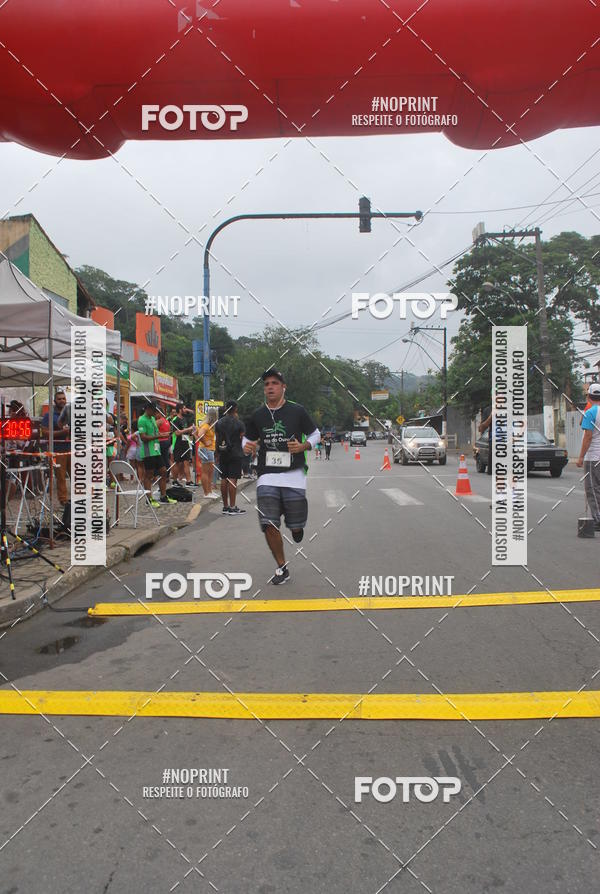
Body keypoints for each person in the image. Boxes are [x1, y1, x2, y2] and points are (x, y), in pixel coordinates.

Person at [243, 369, 320, 584]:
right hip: (267, 475)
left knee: (295, 525)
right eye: (266, 384)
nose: (270, 387)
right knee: (268, 523)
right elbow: (247, 440)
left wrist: (303, 445)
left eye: (274, 383)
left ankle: (296, 527)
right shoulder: (257, 415)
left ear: (283, 387)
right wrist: (247, 447)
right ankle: (282, 567)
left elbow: (316, 434)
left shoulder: (297, 411)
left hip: (294, 474)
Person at [136, 404, 176, 506]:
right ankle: (149, 500)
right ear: (148, 409)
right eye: (154, 411)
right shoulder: (141, 420)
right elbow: (143, 437)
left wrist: (164, 435)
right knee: (149, 475)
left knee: (163, 471)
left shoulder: (153, 418)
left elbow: (156, 433)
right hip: (148, 452)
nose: (155, 413)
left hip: (156, 451)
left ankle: (163, 496)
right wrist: (158, 436)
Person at [576, 382, 600, 530]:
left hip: (593, 457)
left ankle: (597, 519)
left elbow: (588, 438)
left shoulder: (590, 413)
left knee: (592, 489)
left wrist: (580, 457)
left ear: (589, 396)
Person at [215, 400, 246, 515]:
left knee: (224, 479)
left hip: (223, 453)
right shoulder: (239, 423)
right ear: (235, 409)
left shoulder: (219, 423)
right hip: (235, 453)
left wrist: (217, 453)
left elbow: (217, 439)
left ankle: (225, 506)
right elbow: (242, 439)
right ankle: (233, 507)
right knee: (233, 480)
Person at [41, 390, 70, 504]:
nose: (62, 400)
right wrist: (61, 432)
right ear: (54, 401)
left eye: (63, 398)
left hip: (72, 449)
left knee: (77, 475)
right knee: (61, 477)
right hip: (58, 450)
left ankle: (80, 498)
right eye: (59, 399)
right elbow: (45, 432)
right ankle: (63, 500)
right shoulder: (49, 415)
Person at [197, 408, 220, 499]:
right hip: (206, 450)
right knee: (206, 472)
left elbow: (196, 433)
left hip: (208, 450)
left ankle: (209, 491)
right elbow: (199, 434)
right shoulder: (206, 426)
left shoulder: (208, 425)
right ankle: (206, 493)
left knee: (210, 472)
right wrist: (206, 442)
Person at [171, 402, 196, 486]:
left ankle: (189, 481)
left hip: (185, 442)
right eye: (184, 408)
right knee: (177, 462)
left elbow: (193, 413)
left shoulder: (184, 419)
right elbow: (177, 433)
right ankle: (175, 480)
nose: (185, 410)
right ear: (179, 409)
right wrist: (187, 429)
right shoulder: (175, 420)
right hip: (177, 443)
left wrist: (191, 431)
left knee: (186, 462)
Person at [156, 409, 172, 480]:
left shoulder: (160, 421)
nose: (155, 415)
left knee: (160, 459)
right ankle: (167, 475)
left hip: (161, 441)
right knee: (166, 459)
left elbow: (153, 430)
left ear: (159, 413)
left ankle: (162, 475)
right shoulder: (166, 421)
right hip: (167, 441)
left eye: (156, 413)